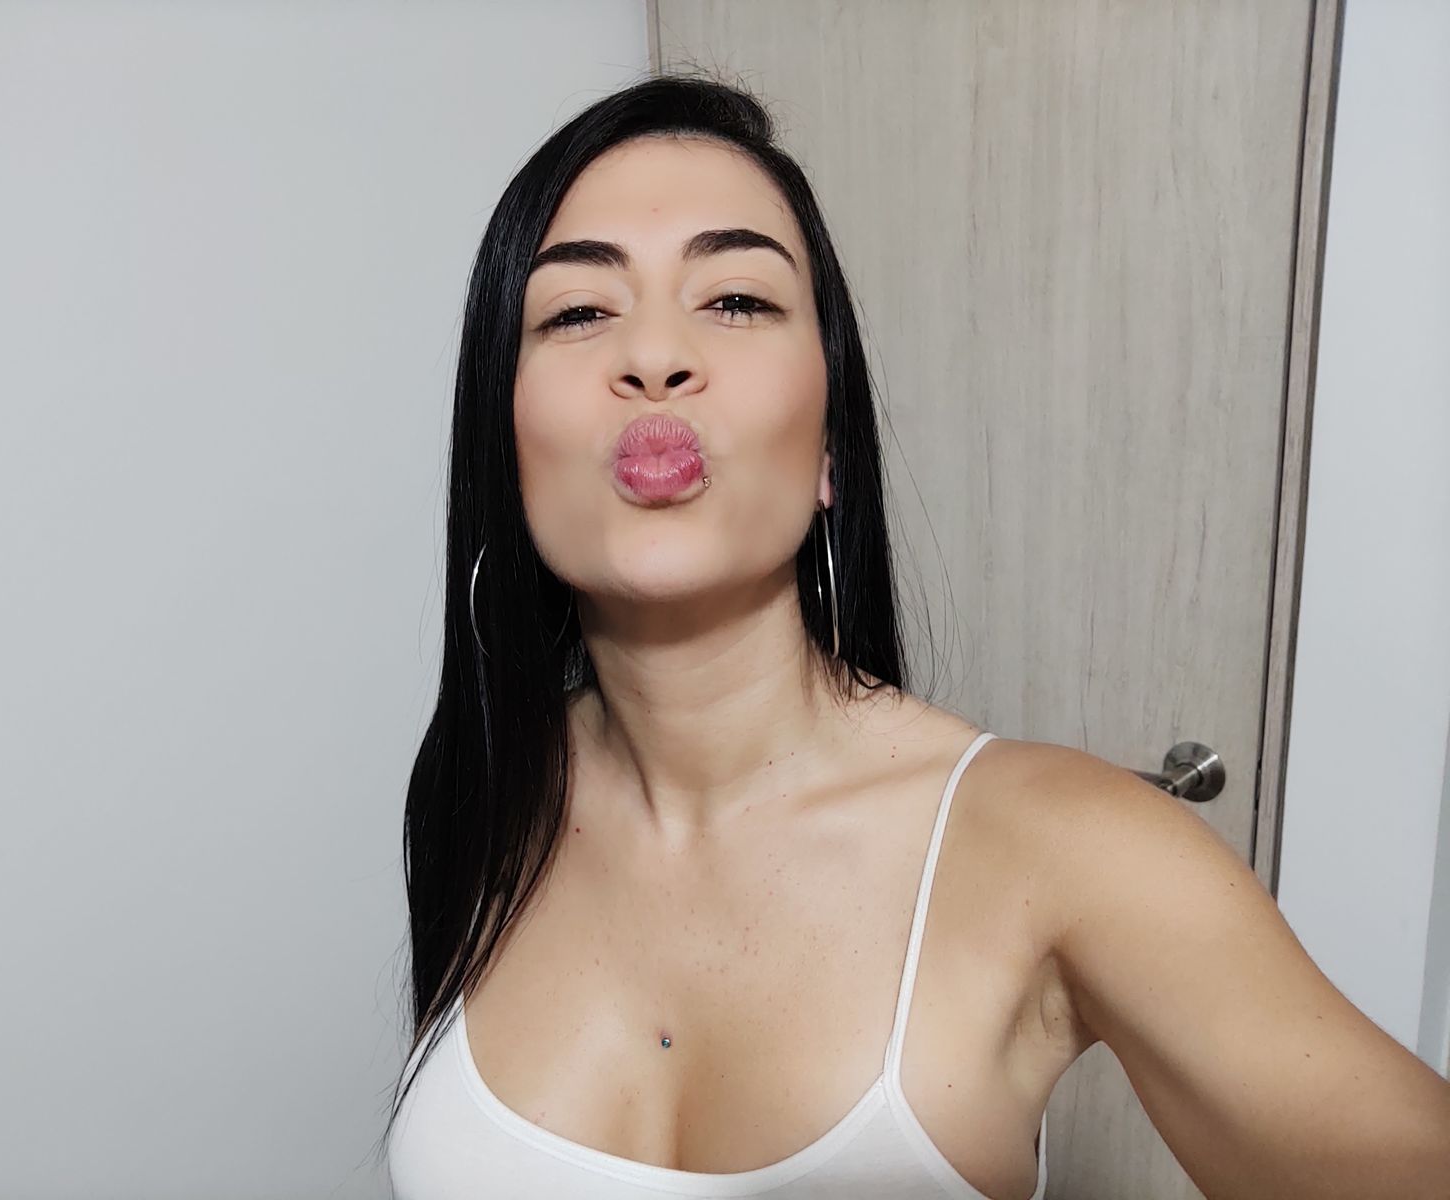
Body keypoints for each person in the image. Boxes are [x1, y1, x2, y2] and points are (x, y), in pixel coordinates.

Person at [376, 70, 1450, 1199]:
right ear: (504, 442)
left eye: (734, 299)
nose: (653, 356)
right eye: (578, 312)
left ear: (830, 448)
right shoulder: (482, 788)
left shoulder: (1070, 850)